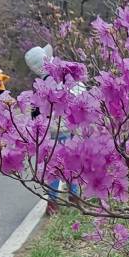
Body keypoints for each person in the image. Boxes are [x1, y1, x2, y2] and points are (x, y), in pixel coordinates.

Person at [25, 44, 79, 214]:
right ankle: (73, 197)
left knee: (55, 167)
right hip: (65, 130)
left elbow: (35, 114)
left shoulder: (39, 85)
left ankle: (53, 202)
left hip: (51, 133)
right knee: (70, 165)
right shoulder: (59, 77)